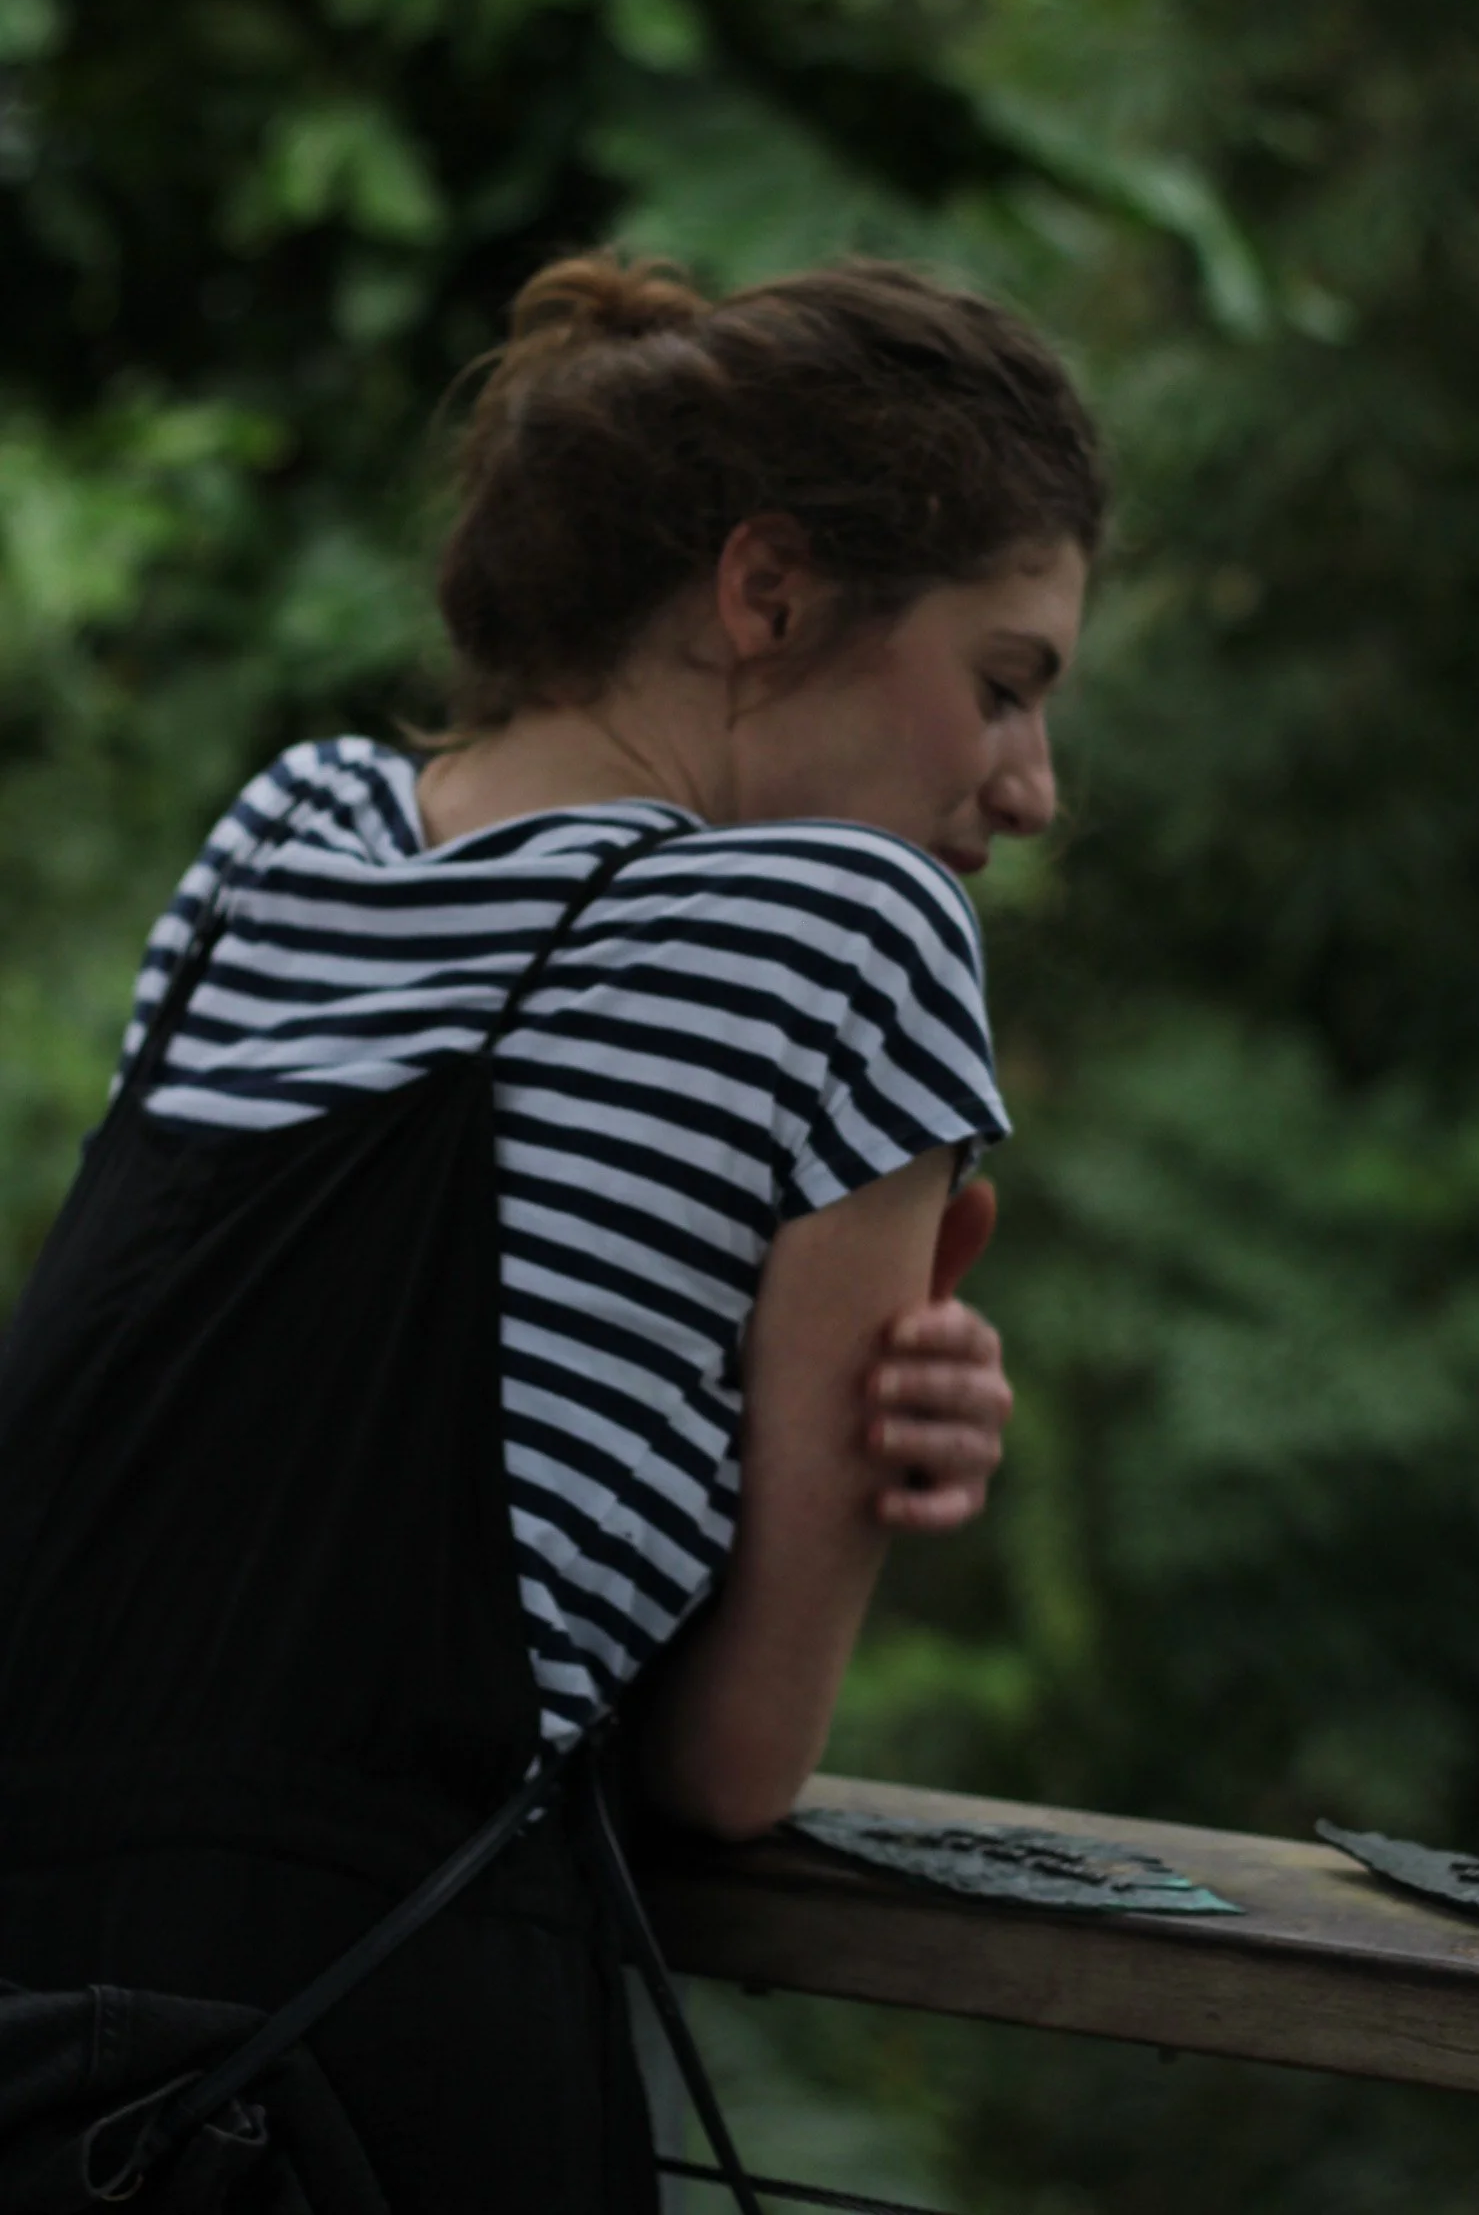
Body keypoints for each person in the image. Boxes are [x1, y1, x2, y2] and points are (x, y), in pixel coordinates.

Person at [0, 249, 1105, 2210]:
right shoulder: (853, 934)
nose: (1026, 786)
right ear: (764, 592)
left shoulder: (287, 835)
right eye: (1002, 683)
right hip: (362, 2088)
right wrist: (868, 1457)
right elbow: (731, 1772)